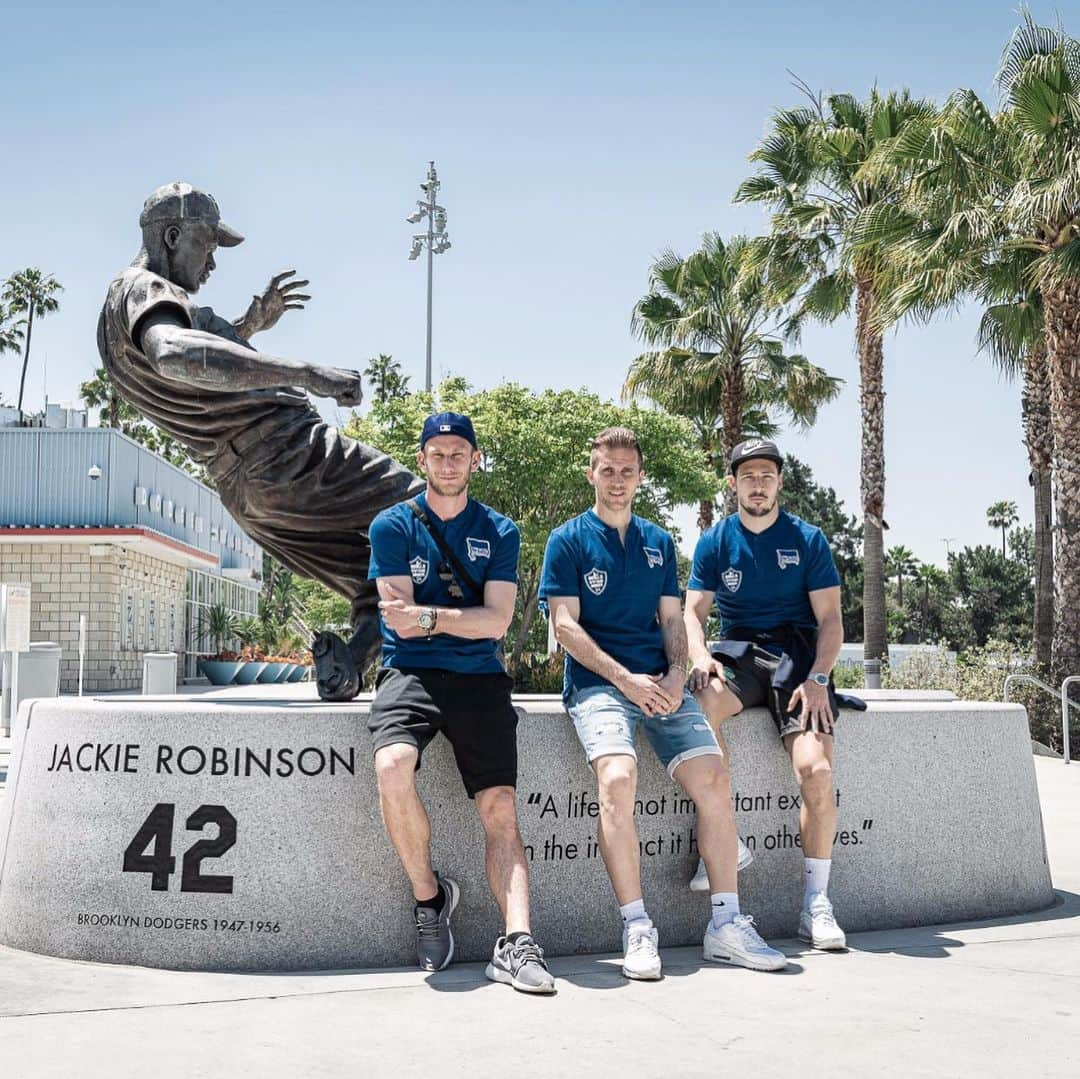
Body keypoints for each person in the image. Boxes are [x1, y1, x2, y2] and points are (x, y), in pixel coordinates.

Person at [97, 182, 423, 699]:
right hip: (289, 453)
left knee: (372, 576)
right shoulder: (141, 289)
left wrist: (251, 325)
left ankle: (353, 659)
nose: (212, 263)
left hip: (251, 493)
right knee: (427, 511)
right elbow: (173, 353)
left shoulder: (129, 317)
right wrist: (309, 373)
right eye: (207, 245)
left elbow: (197, 370)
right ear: (173, 235)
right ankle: (468, 664)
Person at [540, 427, 787, 978]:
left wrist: (677, 674)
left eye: (628, 471)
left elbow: (674, 620)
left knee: (716, 779)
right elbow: (564, 625)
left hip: (662, 686)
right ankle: (637, 927)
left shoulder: (657, 541)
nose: (618, 480)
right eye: (608, 470)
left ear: (640, 477)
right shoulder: (568, 540)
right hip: (599, 686)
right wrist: (624, 678)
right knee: (618, 780)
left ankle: (726, 924)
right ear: (592, 474)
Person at [365, 411, 555, 994]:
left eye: (459, 453)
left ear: (475, 461)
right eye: (437, 453)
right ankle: (430, 897)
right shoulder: (391, 526)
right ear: (421, 460)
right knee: (392, 767)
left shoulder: (500, 531)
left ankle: (518, 942)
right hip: (411, 673)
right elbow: (400, 622)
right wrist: (450, 620)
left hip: (479, 679)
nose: (448, 463)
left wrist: (428, 616)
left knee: (499, 806)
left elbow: (496, 623)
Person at [685, 437, 847, 951]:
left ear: (780, 482)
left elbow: (831, 620)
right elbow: (692, 613)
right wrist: (699, 656)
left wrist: (819, 677)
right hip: (738, 655)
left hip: (798, 661)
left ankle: (815, 904)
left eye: (767, 476)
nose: (758, 484)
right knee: (700, 707)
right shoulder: (714, 542)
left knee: (816, 771)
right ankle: (728, 842)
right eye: (748, 476)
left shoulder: (807, 539)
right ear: (732, 483)